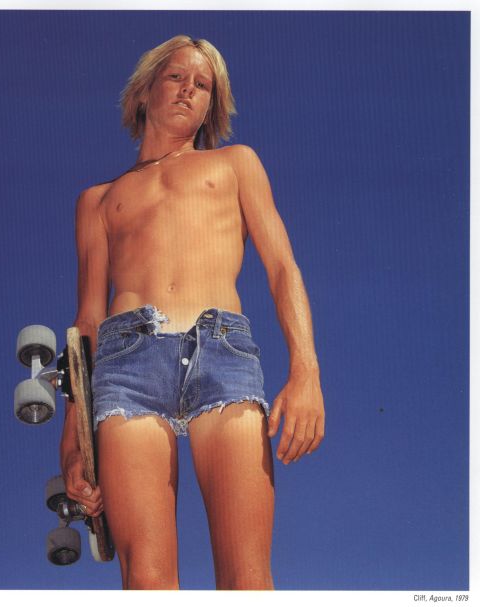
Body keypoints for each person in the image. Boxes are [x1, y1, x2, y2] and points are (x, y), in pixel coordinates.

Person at [59, 35, 325, 590]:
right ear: (144, 91)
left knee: (247, 580)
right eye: (177, 77)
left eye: (202, 85)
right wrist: (73, 439)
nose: (188, 90)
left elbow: (283, 268)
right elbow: (86, 323)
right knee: (147, 581)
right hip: (126, 367)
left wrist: (306, 371)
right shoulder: (98, 200)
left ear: (211, 107)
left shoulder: (235, 164)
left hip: (222, 351)